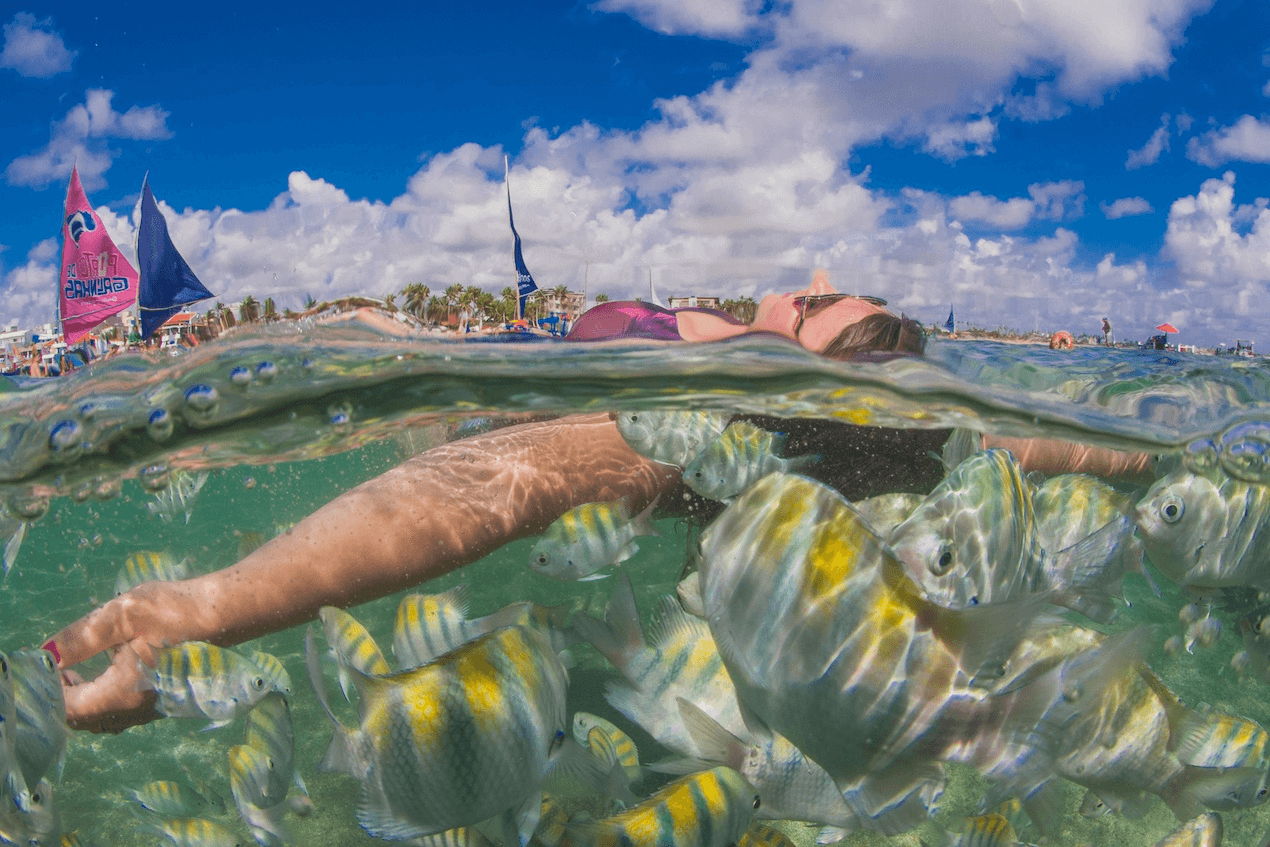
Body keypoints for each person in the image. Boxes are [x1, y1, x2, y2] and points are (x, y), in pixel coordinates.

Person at [44, 270, 1153, 733]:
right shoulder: (907, 434)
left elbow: (486, 490)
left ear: (805, 373)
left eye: (814, 305)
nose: (808, 278)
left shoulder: (692, 421)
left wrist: (201, 612)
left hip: (470, 415)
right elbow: (1070, 446)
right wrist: (1141, 462)